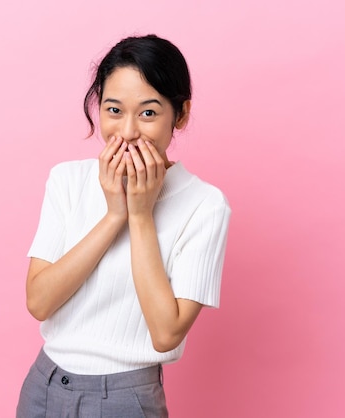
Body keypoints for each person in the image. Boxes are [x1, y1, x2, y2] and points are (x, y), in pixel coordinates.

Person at [16, 34, 231, 417]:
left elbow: (166, 335)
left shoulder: (205, 206)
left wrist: (140, 215)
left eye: (148, 113)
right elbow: (39, 302)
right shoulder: (67, 181)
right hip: (44, 387)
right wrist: (114, 215)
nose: (128, 131)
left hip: (124, 398)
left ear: (179, 115)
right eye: (114, 110)